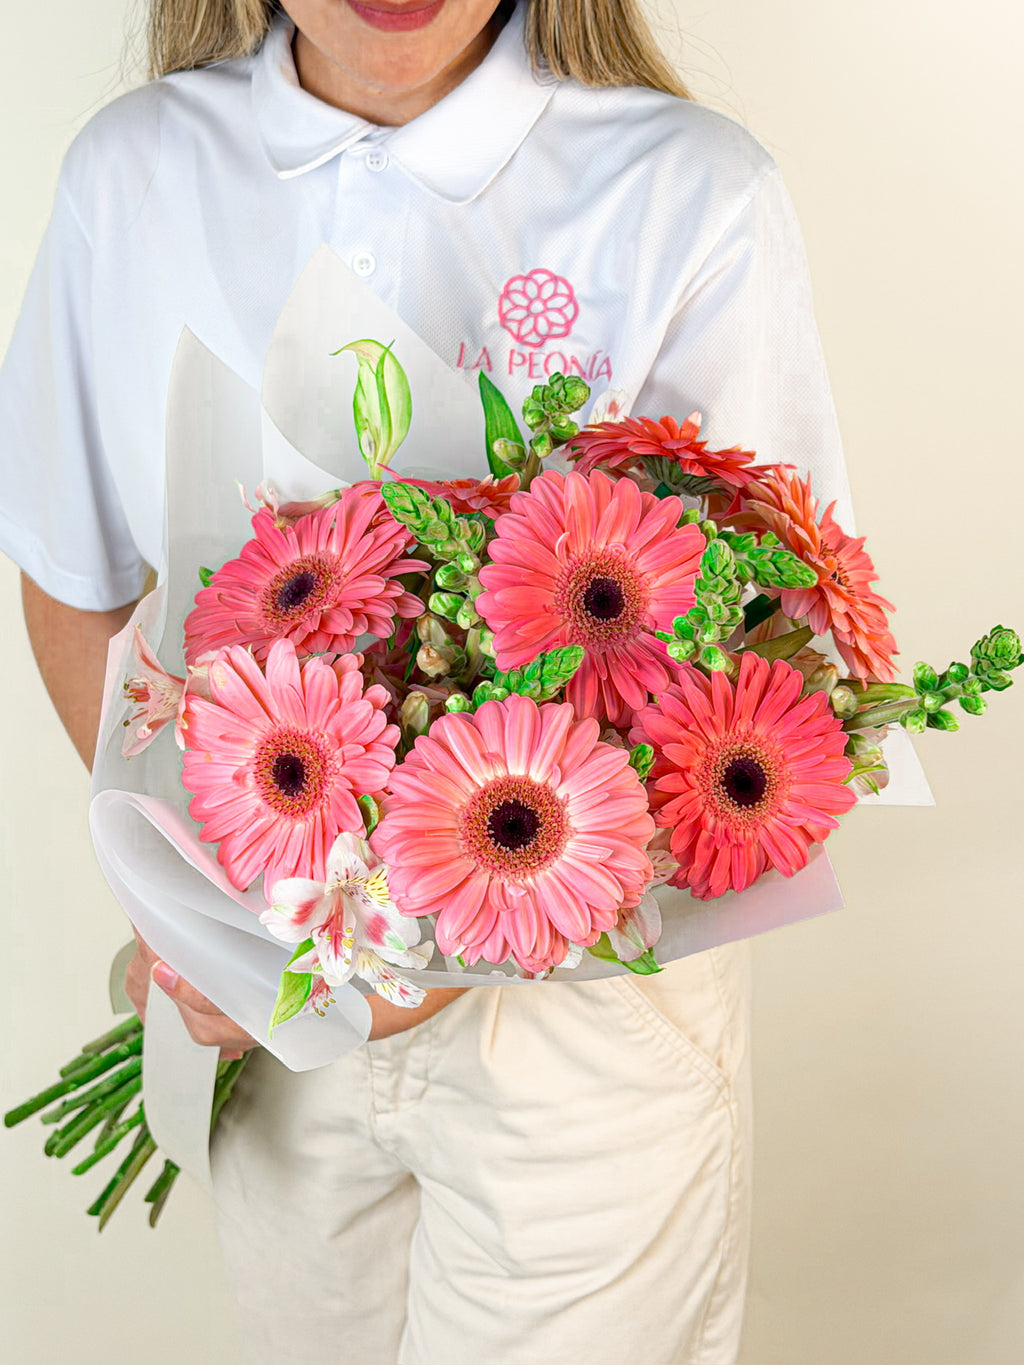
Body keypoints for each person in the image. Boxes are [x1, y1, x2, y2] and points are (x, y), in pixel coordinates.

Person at [0, 1, 858, 1361]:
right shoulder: (137, 173)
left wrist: (379, 955)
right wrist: (198, 894)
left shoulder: (689, 192)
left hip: (583, 1015)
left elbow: (760, 669)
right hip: (268, 1006)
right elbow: (72, 559)